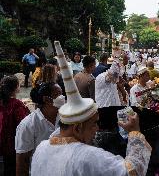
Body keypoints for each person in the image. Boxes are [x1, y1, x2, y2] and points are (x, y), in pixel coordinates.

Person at [30, 41, 152, 176]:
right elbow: (131, 172)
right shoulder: (88, 157)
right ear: (77, 128)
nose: (97, 129)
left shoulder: (41, 148)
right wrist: (135, 132)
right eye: (94, 124)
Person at [16, 82, 64, 176]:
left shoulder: (64, 118)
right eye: (58, 94)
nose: (62, 97)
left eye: (62, 93)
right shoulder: (28, 125)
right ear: (46, 99)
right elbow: (22, 160)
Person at [0, 76, 29, 176]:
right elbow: (24, 123)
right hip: (13, 142)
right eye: (18, 83)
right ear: (15, 87)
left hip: (3, 139)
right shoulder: (17, 104)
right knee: (11, 168)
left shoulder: (4, 101)